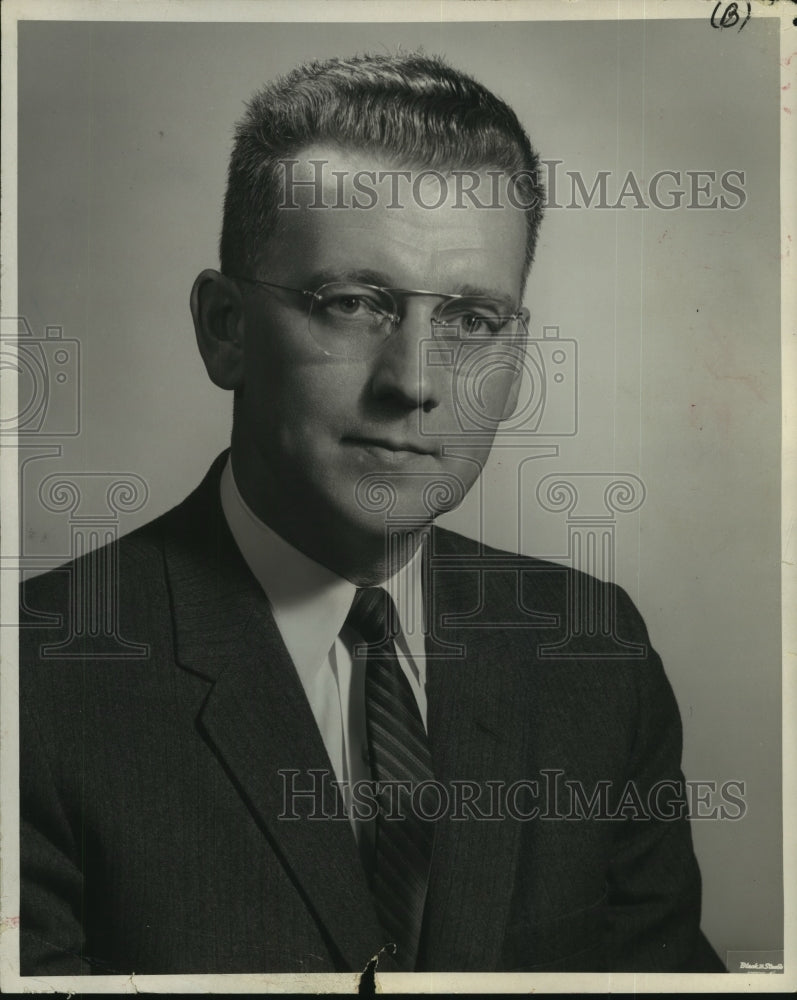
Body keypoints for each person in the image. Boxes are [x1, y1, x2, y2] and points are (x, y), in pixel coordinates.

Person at [19, 51, 725, 975]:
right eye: (352, 303)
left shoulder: (596, 652)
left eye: (471, 320)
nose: (416, 383)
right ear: (225, 328)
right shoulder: (33, 686)